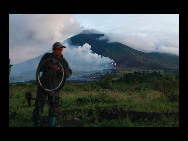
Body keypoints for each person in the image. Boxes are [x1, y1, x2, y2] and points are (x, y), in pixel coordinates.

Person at [32, 42, 72, 127]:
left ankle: (50, 125)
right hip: (43, 85)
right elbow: (40, 68)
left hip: (55, 87)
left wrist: (62, 71)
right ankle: (37, 124)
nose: (60, 52)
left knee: (53, 108)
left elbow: (69, 73)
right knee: (38, 106)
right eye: (58, 50)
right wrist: (49, 67)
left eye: (61, 50)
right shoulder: (47, 57)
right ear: (53, 49)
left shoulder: (63, 61)